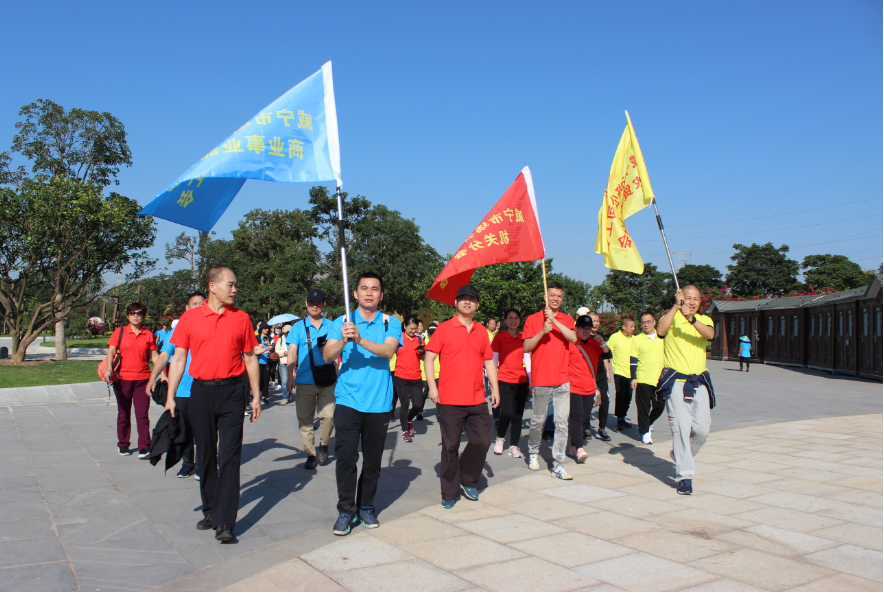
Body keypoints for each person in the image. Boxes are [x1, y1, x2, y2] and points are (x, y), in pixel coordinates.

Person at [165, 266, 261, 542]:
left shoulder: (241, 318)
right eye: (230, 284)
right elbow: (180, 359)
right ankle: (210, 510)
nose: (235, 289)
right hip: (201, 392)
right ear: (213, 286)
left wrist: (255, 395)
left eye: (235, 285)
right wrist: (171, 395)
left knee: (229, 457)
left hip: (232, 393)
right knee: (205, 455)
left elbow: (250, 358)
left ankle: (225, 521)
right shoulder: (190, 318)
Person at [323, 273, 402, 535]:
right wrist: (344, 339)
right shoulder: (340, 323)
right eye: (364, 288)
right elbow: (327, 355)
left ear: (381, 295)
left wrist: (360, 340)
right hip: (348, 400)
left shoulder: (391, 322)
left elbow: (388, 351)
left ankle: (366, 506)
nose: (369, 293)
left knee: (372, 460)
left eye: (375, 289)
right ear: (354, 294)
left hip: (379, 402)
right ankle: (345, 510)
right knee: (346, 456)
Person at [425, 285, 498, 508]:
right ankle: (449, 491)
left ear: (477, 305)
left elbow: (488, 361)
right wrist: (432, 387)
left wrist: (494, 389)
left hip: (476, 398)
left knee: (482, 441)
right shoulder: (444, 329)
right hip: (449, 400)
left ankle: (467, 479)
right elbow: (429, 358)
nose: (467, 302)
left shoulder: (482, 332)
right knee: (450, 447)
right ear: (456, 302)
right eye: (463, 298)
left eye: (472, 299)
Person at [656, 285, 716, 496]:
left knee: (701, 430)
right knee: (681, 427)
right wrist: (675, 306)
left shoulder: (704, 320)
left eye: (696, 299)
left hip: (699, 383)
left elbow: (709, 335)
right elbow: (660, 331)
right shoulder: (672, 318)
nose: (691, 302)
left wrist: (692, 319)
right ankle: (685, 476)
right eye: (687, 298)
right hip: (676, 383)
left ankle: (679, 454)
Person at [146, 293, 206, 478]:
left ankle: (205, 465)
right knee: (184, 430)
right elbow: (164, 355)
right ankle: (188, 463)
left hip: (205, 388)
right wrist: (153, 376)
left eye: (202, 303)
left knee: (205, 430)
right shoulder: (177, 331)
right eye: (194, 304)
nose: (198, 306)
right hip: (182, 389)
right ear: (187, 309)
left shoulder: (212, 328)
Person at [523, 282, 578, 479]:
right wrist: (542, 331)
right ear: (545, 297)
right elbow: (526, 346)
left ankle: (558, 463)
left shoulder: (567, 318)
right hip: (541, 378)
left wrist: (555, 321)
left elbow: (573, 337)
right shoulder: (532, 319)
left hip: (563, 378)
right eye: (552, 295)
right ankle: (533, 453)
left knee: (562, 423)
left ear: (562, 299)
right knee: (538, 421)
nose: (555, 298)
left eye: (559, 296)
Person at [286, 289, 337, 469]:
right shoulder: (298, 327)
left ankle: (323, 444)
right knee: (305, 420)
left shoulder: (332, 326)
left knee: (329, 416)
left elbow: (341, 350)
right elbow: (291, 352)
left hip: (328, 379)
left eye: (318, 303)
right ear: (306, 304)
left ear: (323, 305)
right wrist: (290, 376)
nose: (315, 306)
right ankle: (310, 453)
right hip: (305, 380)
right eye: (311, 303)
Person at [105, 302, 160, 459]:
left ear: (143, 316)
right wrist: (109, 368)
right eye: (132, 313)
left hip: (142, 380)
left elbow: (154, 356)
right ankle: (123, 444)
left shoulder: (148, 334)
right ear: (128, 316)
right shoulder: (120, 332)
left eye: (139, 313)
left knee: (142, 415)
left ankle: (144, 446)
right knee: (123, 413)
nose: (136, 316)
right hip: (122, 380)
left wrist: (162, 372)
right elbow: (111, 352)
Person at [568, 316, 608, 463]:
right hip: (574, 387)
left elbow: (607, 354)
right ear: (576, 328)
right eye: (582, 328)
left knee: (584, 418)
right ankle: (579, 448)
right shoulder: (571, 343)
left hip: (589, 387)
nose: (585, 331)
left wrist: (602, 342)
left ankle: (573, 445)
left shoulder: (594, 343)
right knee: (577, 417)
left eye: (588, 328)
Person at [491, 309, 529, 458]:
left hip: (521, 380)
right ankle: (500, 438)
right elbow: (493, 362)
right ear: (505, 321)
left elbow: (528, 361)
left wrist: (531, 381)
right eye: (510, 318)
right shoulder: (499, 338)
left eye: (516, 318)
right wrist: (493, 385)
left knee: (518, 416)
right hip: (504, 379)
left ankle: (514, 446)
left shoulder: (524, 339)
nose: (513, 321)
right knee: (506, 413)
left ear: (520, 321)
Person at [630, 312, 666, 445]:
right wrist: (633, 378)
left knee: (660, 405)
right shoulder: (637, 339)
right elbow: (633, 359)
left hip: (660, 379)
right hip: (643, 378)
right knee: (643, 407)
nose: (646, 324)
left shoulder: (662, 337)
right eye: (644, 322)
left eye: (649, 321)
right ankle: (645, 432)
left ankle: (648, 423)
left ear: (654, 322)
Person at [393, 315, 425, 442]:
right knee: (405, 404)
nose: (413, 331)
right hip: (401, 376)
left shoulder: (419, 340)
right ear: (405, 326)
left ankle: (408, 420)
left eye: (415, 329)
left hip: (416, 376)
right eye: (411, 328)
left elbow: (423, 358)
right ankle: (405, 430)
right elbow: (389, 352)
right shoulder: (398, 338)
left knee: (418, 404)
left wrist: (422, 352)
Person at [587, 311, 613, 441]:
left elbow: (607, 356)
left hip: (601, 374)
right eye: (593, 320)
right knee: (587, 402)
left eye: (597, 321)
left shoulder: (600, 336)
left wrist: (608, 371)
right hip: (587, 374)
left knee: (605, 400)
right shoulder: (583, 336)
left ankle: (602, 428)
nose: (595, 323)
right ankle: (585, 426)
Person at [607, 318, 636, 431]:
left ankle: (623, 416)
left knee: (628, 396)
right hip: (619, 372)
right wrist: (608, 365)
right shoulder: (615, 337)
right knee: (621, 395)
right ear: (624, 327)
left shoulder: (634, 339)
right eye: (631, 326)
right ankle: (619, 418)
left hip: (631, 373)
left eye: (634, 326)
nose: (633, 328)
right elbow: (607, 351)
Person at [419, 322, 440, 420]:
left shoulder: (441, 341)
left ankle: (440, 414)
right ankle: (419, 411)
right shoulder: (423, 341)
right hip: (425, 372)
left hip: (438, 372)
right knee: (424, 393)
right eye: (431, 333)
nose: (433, 335)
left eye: (434, 332)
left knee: (439, 394)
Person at [256, 323, 273, 404]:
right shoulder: (257, 338)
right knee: (259, 380)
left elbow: (273, 349)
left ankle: (264, 397)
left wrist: (268, 344)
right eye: (265, 328)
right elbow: (254, 349)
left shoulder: (269, 338)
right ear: (261, 329)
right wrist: (261, 346)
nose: (267, 329)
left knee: (266, 379)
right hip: (258, 361)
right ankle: (257, 395)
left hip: (267, 362)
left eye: (268, 328)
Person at [275, 325, 291, 400]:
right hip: (283, 362)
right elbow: (277, 351)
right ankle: (285, 396)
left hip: (292, 362)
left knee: (291, 380)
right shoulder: (280, 340)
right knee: (284, 380)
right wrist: (284, 352)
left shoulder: (294, 340)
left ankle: (289, 393)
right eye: (287, 332)